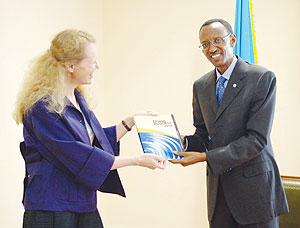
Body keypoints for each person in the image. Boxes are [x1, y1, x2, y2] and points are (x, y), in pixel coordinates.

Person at [13, 29, 166, 228]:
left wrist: (130, 122)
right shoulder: (40, 107)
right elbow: (78, 154)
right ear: (71, 65)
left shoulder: (78, 98)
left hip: (83, 202)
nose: (98, 66)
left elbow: (95, 141)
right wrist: (137, 160)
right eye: (92, 61)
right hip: (51, 206)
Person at [170, 19, 288, 228]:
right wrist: (179, 142)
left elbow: (256, 140)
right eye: (205, 44)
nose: (212, 48)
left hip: (256, 196)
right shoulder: (200, 86)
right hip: (220, 197)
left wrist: (206, 157)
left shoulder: (261, 78)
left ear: (232, 40)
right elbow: (204, 135)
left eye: (217, 40)